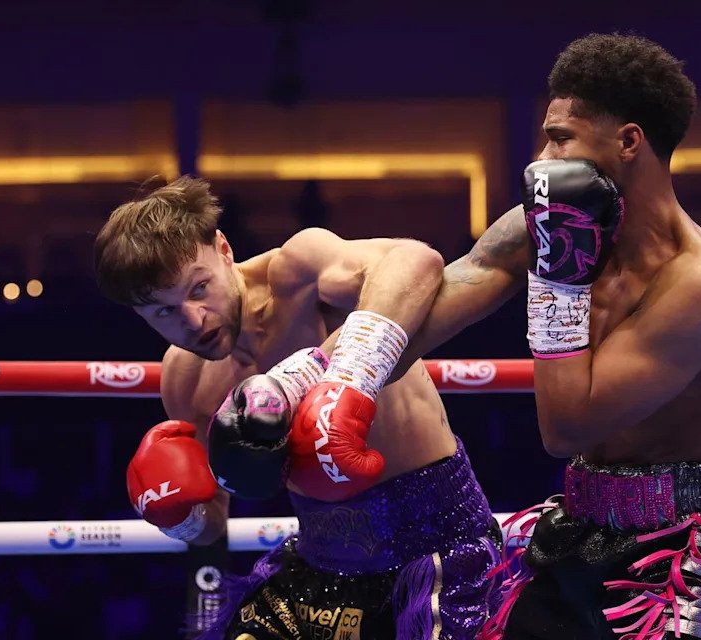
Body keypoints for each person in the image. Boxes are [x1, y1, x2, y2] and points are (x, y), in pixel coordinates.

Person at [394, 34, 701, 639]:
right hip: (575, 532)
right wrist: (327, 366)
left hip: (688, 556)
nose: (540, 157)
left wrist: (559, 277)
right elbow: (448, 294)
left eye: (560, 137)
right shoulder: (547, 224)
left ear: (629, 141)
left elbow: (566, 425)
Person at [93, 176, 500, 639]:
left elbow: (414, 261)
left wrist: (345, 376)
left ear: (223, 249)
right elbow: (212, 524)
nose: (192, 319)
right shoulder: (186, 381)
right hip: (320, 571)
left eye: (198, 288)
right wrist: (180, 516)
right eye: (163, 312)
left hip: (437, 553)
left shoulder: (300, 276)